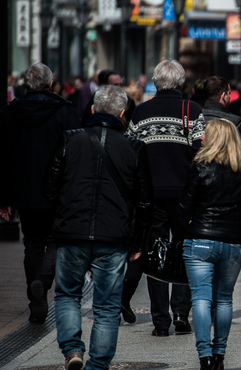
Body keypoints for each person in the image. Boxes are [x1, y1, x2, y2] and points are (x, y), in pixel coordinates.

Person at [43, 85, 153, 370]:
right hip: (113, 235)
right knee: (106, 305)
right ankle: (99, 364)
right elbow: (144, 201)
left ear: (92, 109)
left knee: (67, 294)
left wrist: (61, 217)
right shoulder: (134, 147)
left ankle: (72, 349)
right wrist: (137, 241)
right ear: (122, 113)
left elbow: (50, 188)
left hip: (72, 231)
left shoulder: (70, 139)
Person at [125, 60, 205, 337]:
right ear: (181, 83)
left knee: (155, 252)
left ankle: (160, 320)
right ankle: (181, 313)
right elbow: (201, 152)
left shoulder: (141, 112)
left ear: (156, 83)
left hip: (151, 195)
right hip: (186, 194)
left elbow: (129, 151)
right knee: (185, 250)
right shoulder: (192, 110)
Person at [0, 62, 81, 324]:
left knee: (32, 243)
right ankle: (42, 283)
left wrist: (5, 197)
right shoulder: (64, 112)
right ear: (50, 83)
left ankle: (35, 297)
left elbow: (4, 158)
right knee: (57, 239)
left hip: (24, 190)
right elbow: (76, 153)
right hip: (57, 190)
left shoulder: (11, 113)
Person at [178, 118, 241, 370]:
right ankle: (219, 353)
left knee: (201, 299)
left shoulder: (200, 166)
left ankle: (205, 355)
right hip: (232, 242)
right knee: (224, 299)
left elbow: (184, 206)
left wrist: (189, 226)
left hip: (200, 238)